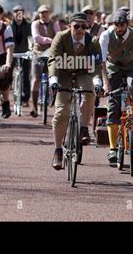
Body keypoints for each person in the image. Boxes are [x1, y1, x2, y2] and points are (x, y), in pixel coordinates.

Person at [48, 12, 103, 169]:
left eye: (83, 27)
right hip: (63, 74)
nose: (79, 30)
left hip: (82, 73)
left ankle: (84, 128)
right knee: (61, 112)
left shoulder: (92, 41)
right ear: (69, 26)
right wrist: (53, 80)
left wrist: (98, 82)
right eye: (76, 26)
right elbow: (53, 60)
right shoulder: (60, 37)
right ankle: (58, 150)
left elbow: (97, 65)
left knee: (89, 92)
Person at [100, 8, 133, 165]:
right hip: (112, 67)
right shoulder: (105, 36)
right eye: (116, 24)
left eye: (122, 24)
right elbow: (102, 62)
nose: (119, 27)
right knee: (113, 106)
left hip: (131, 66)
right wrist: (105, 83)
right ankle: (113, 149)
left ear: (127, 24)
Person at [30, 5, 60, 117]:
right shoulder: (35, 24)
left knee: (53, 76)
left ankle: (53, 98)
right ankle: (34, 106)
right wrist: (50, 40)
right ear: (39, 14)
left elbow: (58, 36)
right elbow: (36, 38)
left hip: (51, 54)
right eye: (41, 13)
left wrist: (52, 41)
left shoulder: (55, 24)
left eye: (45, 12)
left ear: (49, 13)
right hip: (38, 54)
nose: (43, 14)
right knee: (36, 79)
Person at [10, 5, 32, 107]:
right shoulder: (9, 25)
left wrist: (31, 49)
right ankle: (6, 89)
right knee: (7, 71)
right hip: (12, 52)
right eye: (16, 11)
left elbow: (30, 39)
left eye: (20, 11)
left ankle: (25, 99)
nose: (18, 13)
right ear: (13, 13)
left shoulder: (28, 25)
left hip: (24, 52)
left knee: (25, 75)